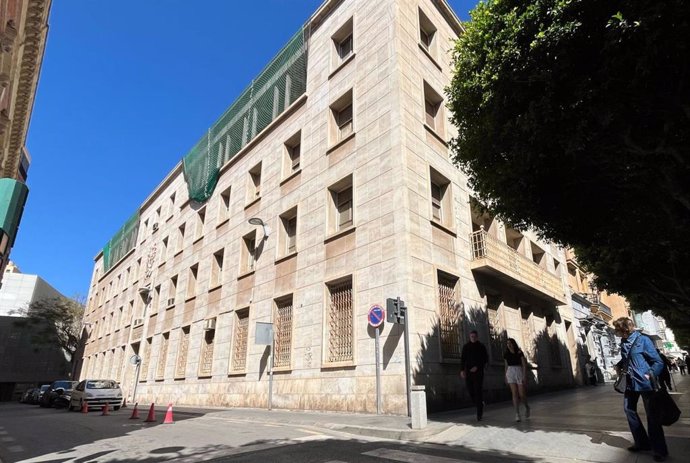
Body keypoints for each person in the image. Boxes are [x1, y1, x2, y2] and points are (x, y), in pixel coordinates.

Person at [613, 317, 668, 462]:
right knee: (628, 409)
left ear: (625, 329)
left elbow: (658, 361)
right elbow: (629, 359)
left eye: (618, 329)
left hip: (644, 382)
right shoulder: (624, 342)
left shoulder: (643, 340)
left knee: (652, 415)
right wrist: (619, 365)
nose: (616, 332)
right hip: (630, 382)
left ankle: (659, 450)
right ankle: (642, 442)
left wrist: (650, 374)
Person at [460, 330, 488, 421]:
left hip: (478, 372)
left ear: (477, 337)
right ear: (469, 337)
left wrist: (477, 367)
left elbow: (485, 359)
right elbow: (463, 359)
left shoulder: (481, 346)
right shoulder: (466, 347)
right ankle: (479, 403)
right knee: (470, 390)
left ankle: (479, 413)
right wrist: (462, 370)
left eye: (474, 336)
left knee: (477, 390)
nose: (473, 338)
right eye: (471, 336)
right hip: (468, 372)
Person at [504, 338, 530, 422]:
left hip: (519, 371)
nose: (509, 344)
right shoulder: (506, 354)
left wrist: (524, 375)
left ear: (513, 343)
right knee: (514, 393)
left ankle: (527, 407)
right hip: (510, 372)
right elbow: (506, 366)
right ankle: (517, 414)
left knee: (522, 394)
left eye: (510, 343)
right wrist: (505, 376)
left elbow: (524, 364)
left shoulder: (519, 352)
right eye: (507, 343)